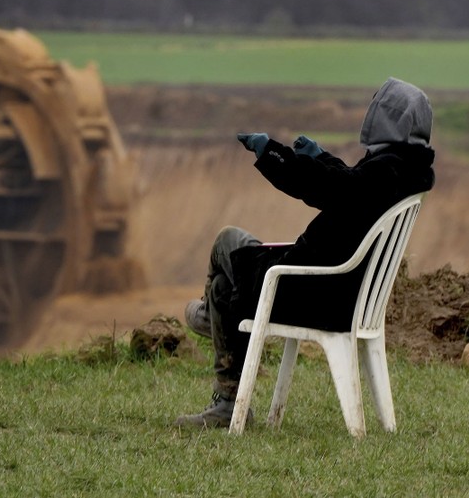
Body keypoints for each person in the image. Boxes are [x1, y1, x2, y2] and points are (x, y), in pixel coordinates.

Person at [174, 77, 436, 428]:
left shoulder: (385, 170)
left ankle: (210, 318)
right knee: (226, 288)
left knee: (227, 240)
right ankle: (226, 397)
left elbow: (327, 188)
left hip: (312, 294)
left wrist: (273, 154)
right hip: (338, 291)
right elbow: (349, 185)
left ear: (387, 118)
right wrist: (320, 156)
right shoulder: (403, 171)